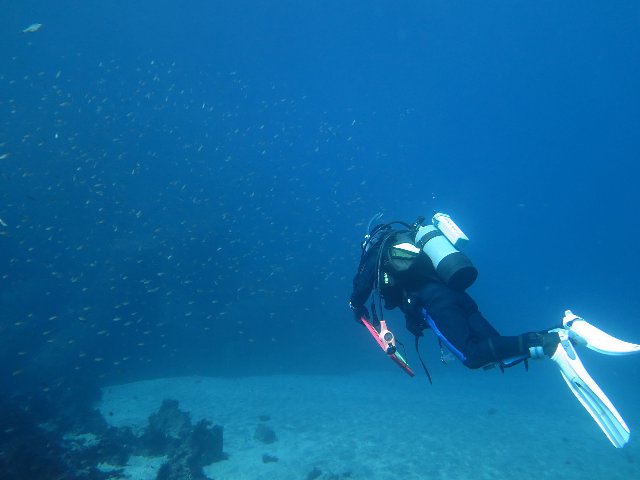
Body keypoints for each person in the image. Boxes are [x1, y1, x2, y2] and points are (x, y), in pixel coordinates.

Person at [348, 213, 561, 371]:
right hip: (458, 295)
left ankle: (543, 341)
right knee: (498, 350)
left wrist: (356, 308)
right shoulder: (413, 239)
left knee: (472, 356)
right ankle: (556, 335)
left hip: (434, 304)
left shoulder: (378, 250)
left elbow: (362, 286)